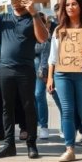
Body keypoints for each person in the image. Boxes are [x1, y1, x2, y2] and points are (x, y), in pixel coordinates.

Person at [0, 0, 49, 159]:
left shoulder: (33, 17)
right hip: (5, 69)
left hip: (25, 69)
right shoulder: (3, 18)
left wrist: (34, 14)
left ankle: (31, 143)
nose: (16, 0)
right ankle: (9, 144)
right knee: (6, 107)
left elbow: (43, 38)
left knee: (28, 106)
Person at [46, 0, 82, 162]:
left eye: (74, 4)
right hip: (62, 74)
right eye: (67, 5)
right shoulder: (59, 29)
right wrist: (50, 77)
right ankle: (70, 148)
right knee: (67, 111)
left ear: (80, 6)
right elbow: (53, 56)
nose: (70, 7)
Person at [34, 12, 51, 140]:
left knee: (39, 95)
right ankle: (35, 124)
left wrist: (43, 73)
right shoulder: (28, 35)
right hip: (28, 70)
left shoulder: (46, 38)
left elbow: (45, 55)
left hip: (41, 71)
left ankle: (44, 126)